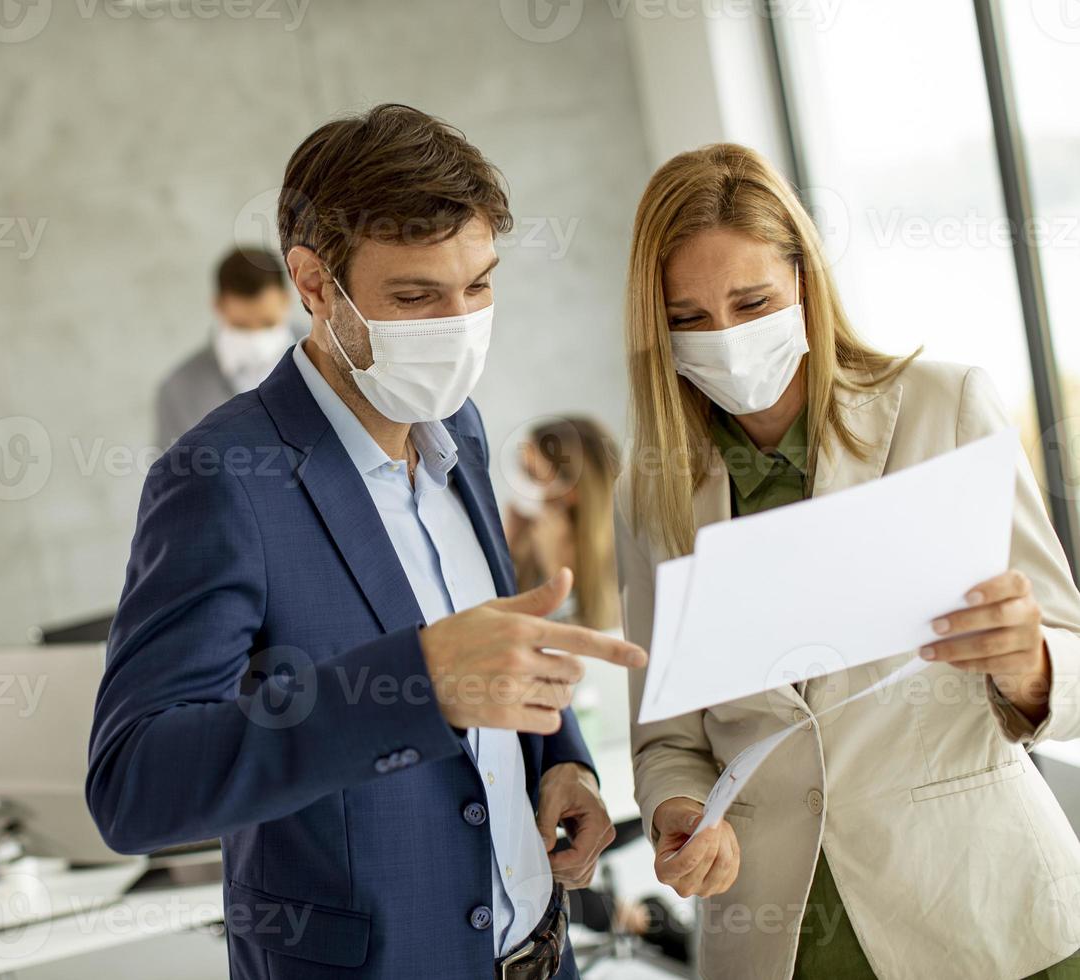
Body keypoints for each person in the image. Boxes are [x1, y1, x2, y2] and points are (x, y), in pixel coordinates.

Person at [87, 104, 647, 980]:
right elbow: (133, 786)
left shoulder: (457, 424)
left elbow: (488, 644)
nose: (458, 325)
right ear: (313, 285)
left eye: (480, 286)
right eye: (416, 296)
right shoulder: (223, 479)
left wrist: (561, 763)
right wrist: (416, 684)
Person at [616, 143, 1080, 979]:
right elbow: (666, 741)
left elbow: (1068, 650)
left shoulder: (945, 407)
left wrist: (1034, 665)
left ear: (804, 282)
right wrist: (681, 813)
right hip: (784, 936)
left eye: (753, 302)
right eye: (689, 319)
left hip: (984, 912)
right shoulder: (651, 494)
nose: (725, 338)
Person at [153, 246, 304, 449]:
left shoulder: (329, 359)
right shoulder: (179, 390)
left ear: (287, 300)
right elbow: (171, 475)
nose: (256, 339)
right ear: (218, 306)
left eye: (268, 323)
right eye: (241, 325)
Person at [506, 416, 622, 631]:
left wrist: (555, 573)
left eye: (531, 473)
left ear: (571, 492)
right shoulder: (525, 541)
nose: (518, 484)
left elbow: (581, 645)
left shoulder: (621, 567)